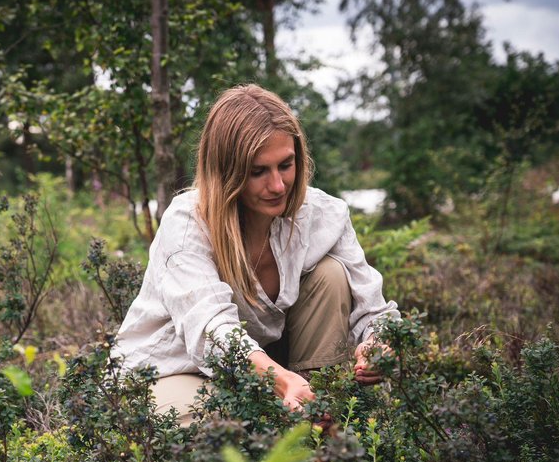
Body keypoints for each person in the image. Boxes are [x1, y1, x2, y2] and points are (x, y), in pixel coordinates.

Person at [112, 84, 399, 426]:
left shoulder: (323, 215)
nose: (278, 185)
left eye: (286, 165)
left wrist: (377, 343)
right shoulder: (188, 223)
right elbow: (212, 330)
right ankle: (277, 413)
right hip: (172, 368)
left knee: (332, 274)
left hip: (263, 370)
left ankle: (318, 416)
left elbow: (374, 308)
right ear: (226, 172)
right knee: (214, 427)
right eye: (258, 171)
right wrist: (281, 381)